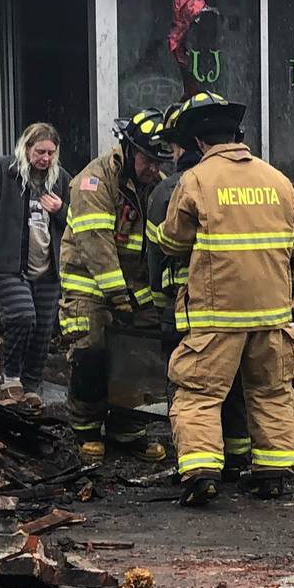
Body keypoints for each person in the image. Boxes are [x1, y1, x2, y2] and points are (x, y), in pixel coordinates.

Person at [155, 91, 294, 507]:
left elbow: (174, 240)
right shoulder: (278, 180)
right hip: (273, 313)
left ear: (200, 142)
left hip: (218, 314)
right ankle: (272, 472)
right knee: (272, 390)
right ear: (239, 135)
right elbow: (293, 239)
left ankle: (201, 474)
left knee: (198, 392)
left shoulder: (197, 180)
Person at [146, 100, 251, 481]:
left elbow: (159, 253)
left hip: (188, 308)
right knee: (234, 384)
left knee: (190, 387)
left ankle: (194, 465)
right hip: (242, 306)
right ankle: (237, 457)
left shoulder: (171, 190)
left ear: (184, 145)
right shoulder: (252, 182)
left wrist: (158, 306)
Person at [58, 109, 171, 463]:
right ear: (128, 149)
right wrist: (117, 295)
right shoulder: (93, 181)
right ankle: (87, 430)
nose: (154, 169)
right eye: (148, 160)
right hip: (89, 283)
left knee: (139, 352)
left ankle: (128, 428)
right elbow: (96, 243)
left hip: (131, 285)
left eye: (159, 162)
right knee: (91, 349)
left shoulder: (155, 185)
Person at [0, 123, 70, 412]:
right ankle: (11, 376)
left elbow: (77, 224)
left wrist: (61, 210)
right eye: (40, 151)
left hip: (48, 268)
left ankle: (32, 384)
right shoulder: (3, 172)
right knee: (23, 317)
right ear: (26, 148)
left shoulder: (60, 180)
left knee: (44, 328)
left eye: (51, 152)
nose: (45, 158)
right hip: (7, 264)